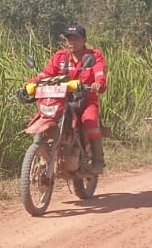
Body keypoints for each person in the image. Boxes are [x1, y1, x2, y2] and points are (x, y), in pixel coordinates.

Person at [24, 23, 107, 172]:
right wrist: (31, 83)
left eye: (76, 39)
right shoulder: (60, 57)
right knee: (42, 114)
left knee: (90, 121)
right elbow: (46, 74)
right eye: (69, 39)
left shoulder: (94, 56)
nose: (72, 42)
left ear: (84, 40)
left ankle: (98, 161)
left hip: (85, 99)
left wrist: (97, 84)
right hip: (62, 99)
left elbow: (99, 74)